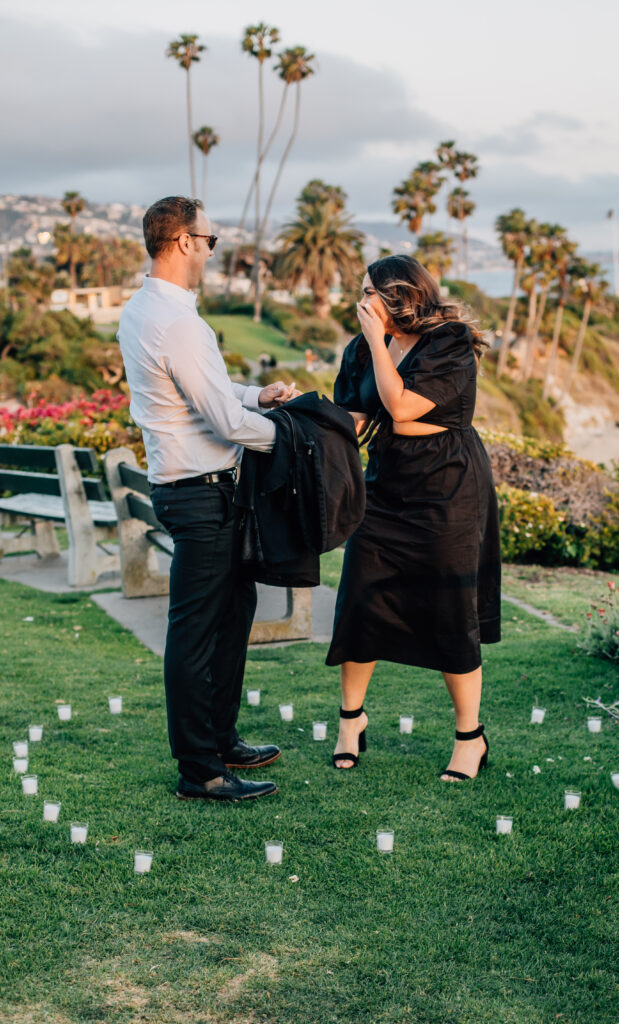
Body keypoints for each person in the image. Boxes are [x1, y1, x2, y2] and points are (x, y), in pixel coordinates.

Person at [117, 196, 298, 802]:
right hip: (201, 495)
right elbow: (220, 420)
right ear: (183, 242)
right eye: (211, 239)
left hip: (192, 490)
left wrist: (256, 395)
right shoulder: (178, 322)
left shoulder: (144, 310)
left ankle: (222, 738)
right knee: (196, 632)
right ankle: (201, 769)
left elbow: (206, 393)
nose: (213, 249)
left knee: (232, 613)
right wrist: (295, 435)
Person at [326, 255, 501, 781]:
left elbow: (400, 407)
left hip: (448, 486)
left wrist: (379, 342)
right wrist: (305, 415)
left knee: (451, 609)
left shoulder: (448, 342)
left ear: (399, 295)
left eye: (368, 292)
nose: (360, 302)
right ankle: (350, 722)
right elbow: (359, 417)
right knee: (361, 597)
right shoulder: (361, 348)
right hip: (386, 484)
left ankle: (470, 738)